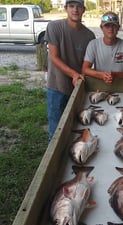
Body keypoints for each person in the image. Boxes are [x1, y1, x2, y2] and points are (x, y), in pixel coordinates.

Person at [45, 0, 95, 140]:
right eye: (72, 6)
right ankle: (53, 161)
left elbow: (88, 64)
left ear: (84, 10)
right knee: (55, 132)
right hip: (56, 87)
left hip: (77, 87)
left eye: (79, 6)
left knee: (76, 128)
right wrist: (73, 74)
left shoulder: (89, 36)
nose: (75, 10)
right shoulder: (54, 27)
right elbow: (54, 57)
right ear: (66, 8)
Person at [82, 11, 123, 85]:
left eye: (113, 26)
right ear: (101, 28)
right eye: (107, 26)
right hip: (99, 85)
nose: (110, 29)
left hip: (120, 85)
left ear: (118, 27)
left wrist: (115, 75)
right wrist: (102, 75)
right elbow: (85, 69)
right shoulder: (93, 44)